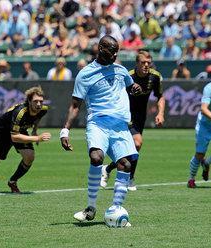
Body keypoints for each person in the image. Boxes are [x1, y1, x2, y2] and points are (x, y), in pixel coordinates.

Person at [60, 35, 142, 224]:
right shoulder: (85, 74)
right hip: (98, 122)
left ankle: (116, 208)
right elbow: (75, 105)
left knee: (126, 165)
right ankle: (90, 207)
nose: (114, 55)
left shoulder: (121, 70)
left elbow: (132, 86)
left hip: (120, 125)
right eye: (111, 51)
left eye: (116, 51)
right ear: (100, 48)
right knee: (96, 157)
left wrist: (135, 88)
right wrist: (65, 130)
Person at [100, 50, 165, 191]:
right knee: (137, 143)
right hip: (124, 115)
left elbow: (160, 96)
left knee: (132, 148)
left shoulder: (155, 77)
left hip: (141, 117)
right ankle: (130, 178)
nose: (146, 65)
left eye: (149, 62)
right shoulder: (127, 76)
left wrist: (160, 113)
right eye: (143, 62)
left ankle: (109, 168)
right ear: (137, 63)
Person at [0, 86, 51, 193]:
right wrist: (37, 138)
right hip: (2, 132)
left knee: (29, 156)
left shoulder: (43, 109)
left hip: (19, 130)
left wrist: (35, 130)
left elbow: (37, 118)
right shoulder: (20, 113)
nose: (39, 104)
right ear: (29, 101)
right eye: (35, 101)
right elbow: (15, 137)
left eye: (41, 101)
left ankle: (13, 181)